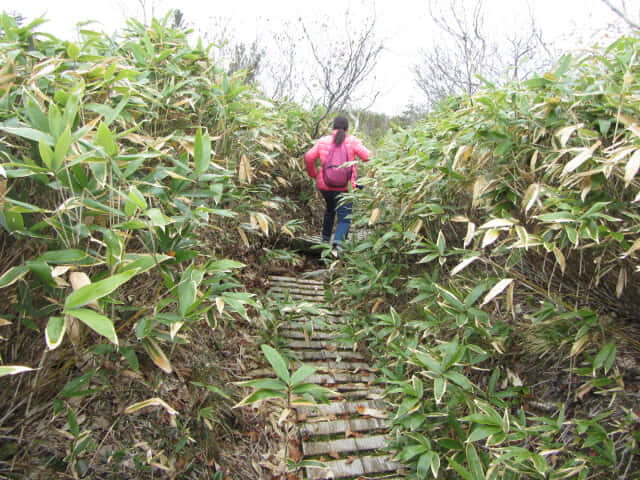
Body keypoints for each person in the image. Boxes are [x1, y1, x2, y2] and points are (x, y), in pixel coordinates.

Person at [304, 116, 371, 256]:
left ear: (333, 127)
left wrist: (313, 173)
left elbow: (309, 157)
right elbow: (368, 157)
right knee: (344, 216)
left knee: (330, 209)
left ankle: (325, 238)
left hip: (325, 185)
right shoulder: (352, 141)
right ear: (347, 128)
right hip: (345, 186)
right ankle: (338, 246)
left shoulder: (323, 141)